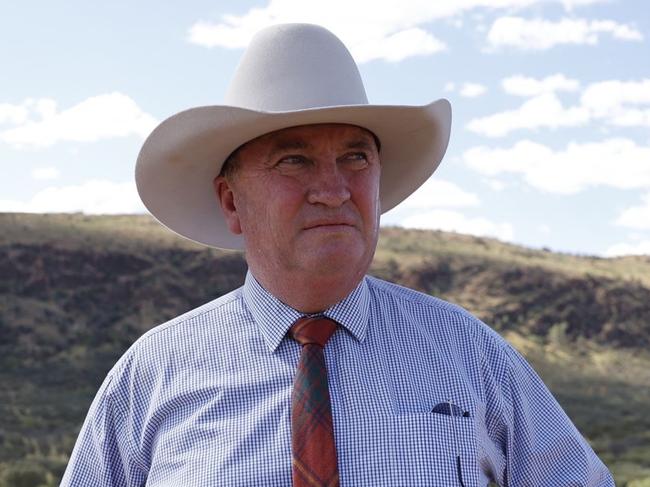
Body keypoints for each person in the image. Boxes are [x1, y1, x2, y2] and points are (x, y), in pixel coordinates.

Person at [61, 23, 613, 486]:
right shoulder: (150, 378)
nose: (334, 188)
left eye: (355, 157)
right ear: (232, 201)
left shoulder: (473, 358)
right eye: (294, 161)